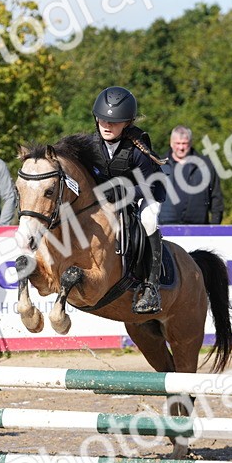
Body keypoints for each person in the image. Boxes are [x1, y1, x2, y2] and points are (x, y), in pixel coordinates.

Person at [87, 86, 168, 314]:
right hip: (111, 198)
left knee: (148, 220)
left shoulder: (137, 148)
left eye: (114, 122)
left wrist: (122, 194)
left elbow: (149, 186)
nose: (106, 126)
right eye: (102, 120)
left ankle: (152, 286)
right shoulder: (92, 145)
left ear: (127, 123)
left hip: (146, 193)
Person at [157, 125, 223, 225]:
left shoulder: (206, 165)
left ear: (190, 143)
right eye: (177, 143)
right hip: (165, 228)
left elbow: (216, 198)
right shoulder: (159, 165)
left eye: (184, 143)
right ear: (171, 143)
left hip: (198, 228)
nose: (181, 147)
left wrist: (214, 227)